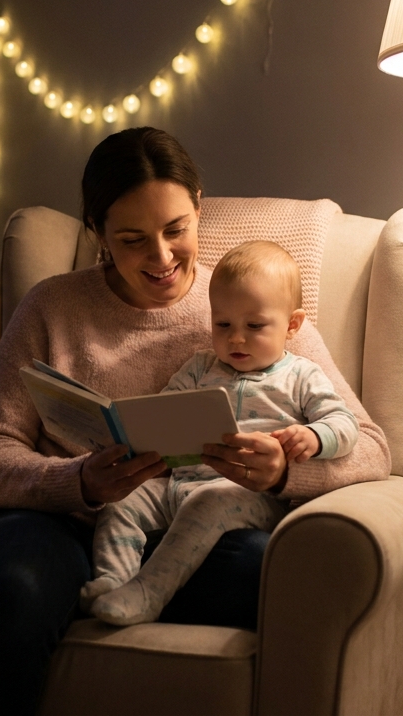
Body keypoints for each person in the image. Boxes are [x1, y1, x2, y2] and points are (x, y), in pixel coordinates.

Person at [0, 127, 391, 716]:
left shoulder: (248, 305)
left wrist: (284, 472)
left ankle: (48, 594)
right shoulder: (51, 306)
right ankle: (34, 590)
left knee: (268, 572)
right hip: (59, 523)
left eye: (176, 229)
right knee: (22, 586)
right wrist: (79, 481)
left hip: (197, 531)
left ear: (199, 206)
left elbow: (373, 448)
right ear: (96, 233)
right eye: (131, 239)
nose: (162, 257)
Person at [83, 240, 360, 626]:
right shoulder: (200, 367)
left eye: (254, 326)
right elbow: (164, 408)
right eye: (223, 324)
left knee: (209, 502)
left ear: (292, 325)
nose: (235, 339)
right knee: (122, 502)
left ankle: (149, 593)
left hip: (245, 497)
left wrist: (315, 438)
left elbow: (346, 425)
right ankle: (114, 579)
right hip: (177, 487)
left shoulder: (301, 376)